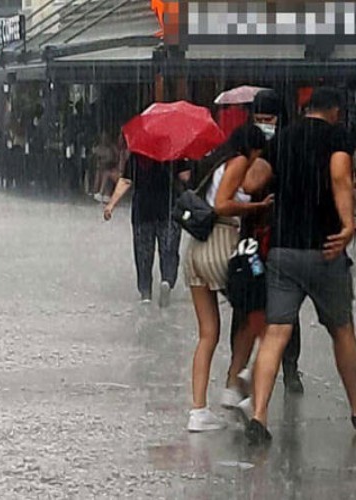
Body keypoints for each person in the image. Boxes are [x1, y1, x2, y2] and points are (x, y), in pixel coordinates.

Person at [243, 87, 356, 444]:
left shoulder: (283, 139)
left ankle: (260, 417)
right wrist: (347, 224)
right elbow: (340, 176)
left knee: (277, 331)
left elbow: (252, 181)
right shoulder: (335, 137)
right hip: (325, 249)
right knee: (341, 328)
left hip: (283, 250)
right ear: (335, 112)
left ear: (306, 108)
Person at [183, 125, 272, 432]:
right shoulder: (237, 162)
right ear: (252, 148)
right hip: (221, 243)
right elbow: (222, 204)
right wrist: (256, 206)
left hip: (195, 251)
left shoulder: (215, 164)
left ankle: (198, 411)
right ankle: (240, 382)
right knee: (257, 309)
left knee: (208, 334)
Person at [223, 90, 305, 413]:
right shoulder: (246, 147)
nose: (264, 125)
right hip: (252, 237)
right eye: (259, 119)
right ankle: (240, 367)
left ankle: (289, 367)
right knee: (246, 301)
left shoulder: (285, 149)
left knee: (285, 308)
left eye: (270, 119)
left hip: (281, 238)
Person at [104, 150, 190, 306]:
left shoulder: (137, 156)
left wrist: (111, 204)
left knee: (143, 252)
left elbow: (126, 181)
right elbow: (185, 177)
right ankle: (167, 281)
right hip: (168, 209)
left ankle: (145, 293)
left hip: (142, 210)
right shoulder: (174, 152)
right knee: (169, 250)